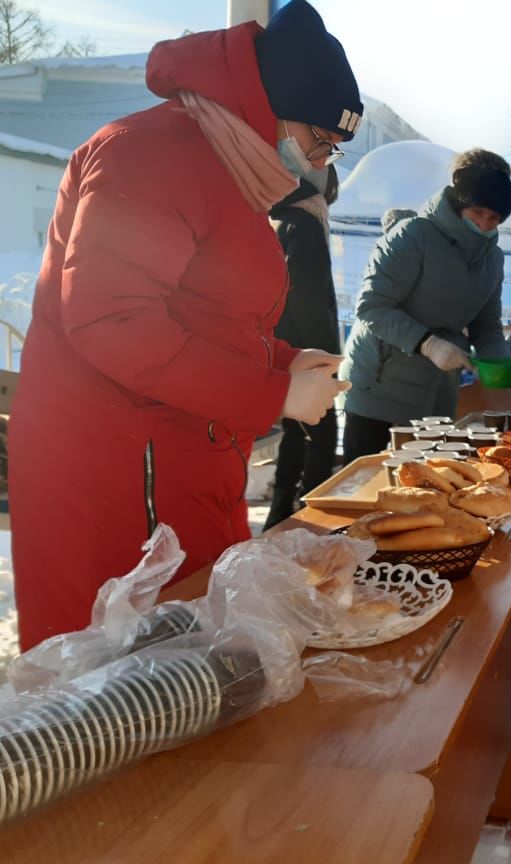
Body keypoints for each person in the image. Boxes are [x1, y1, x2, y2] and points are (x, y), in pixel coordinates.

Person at [8, 0, 358, 651]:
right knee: (112, 701)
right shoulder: (149, 153)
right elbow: (111, 319)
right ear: (275, 105)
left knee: (193, 675)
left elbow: (209, 320)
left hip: (185, 467)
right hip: (118, 487)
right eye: (321, 140)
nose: (320, 162)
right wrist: (271, 394)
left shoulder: (231, 172)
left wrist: (283, 361)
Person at [339, 149, 511, 461]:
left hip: (436, 393)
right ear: (461, 198)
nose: (486, 225)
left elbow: (486, 326)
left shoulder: (492, 259)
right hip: (378, 387)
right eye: (478, 213)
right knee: (364, 485)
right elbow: (371, 308)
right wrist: (428, 344)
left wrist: (501, 370)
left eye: (495, 219)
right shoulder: (412, 236)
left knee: (426, 487)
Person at [264, 164, 343, 529]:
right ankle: (312, 521)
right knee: (322, 438)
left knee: (295, 434)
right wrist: (326, 359)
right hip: (307, 350)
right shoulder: (308, 222)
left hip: (282, 345)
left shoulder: (276, 216)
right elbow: (311, 299)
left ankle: (280, 516)